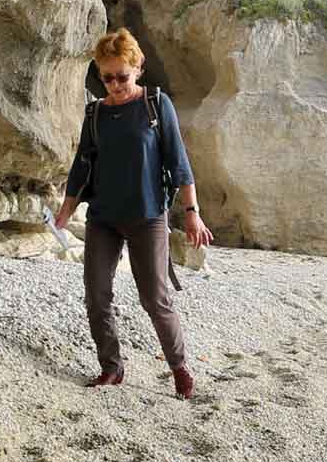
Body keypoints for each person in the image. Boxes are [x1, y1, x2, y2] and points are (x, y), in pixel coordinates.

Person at [53, 29, 211, 396]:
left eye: (121, 76)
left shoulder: (156, 104)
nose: (114, 84)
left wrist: (192, 212)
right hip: (103, 218)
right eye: (106, 77)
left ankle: (179, 368)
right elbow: (81, 167)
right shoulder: (95, 113)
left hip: (148, 215)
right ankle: (112, 367)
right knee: (96, 296)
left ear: (137, 68)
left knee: (155, 298)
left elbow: (179, 161)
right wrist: (65, 213)